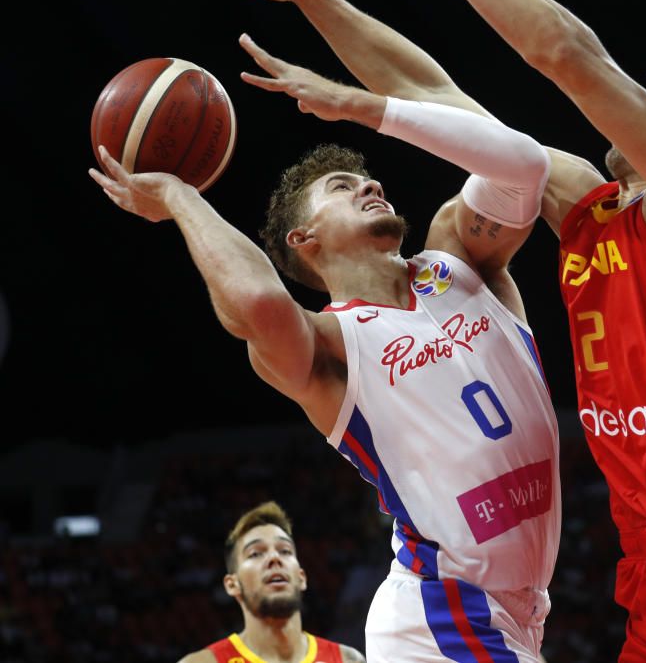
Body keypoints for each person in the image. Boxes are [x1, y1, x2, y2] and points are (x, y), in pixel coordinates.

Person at [231, 0, 646, 661]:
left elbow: (566, 53)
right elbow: (428, 90)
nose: (632, 96)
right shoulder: (585, 205)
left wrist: (361, 107)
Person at [89, 34, 560, 662]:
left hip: (518, 608)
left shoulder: (461, 257)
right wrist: (179, 197)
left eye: (370, 180)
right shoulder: (329, 345)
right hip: (444, 612)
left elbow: (523, 165)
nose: (370, 187)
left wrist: (369, 107)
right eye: (344, 187)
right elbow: (258, 303)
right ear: (304, 237)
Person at [178, 501, 365, 663]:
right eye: (256, 553)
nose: (274, 558)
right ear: (232, 584)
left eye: (285, 550)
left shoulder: (348, 659)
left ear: (301, 577)